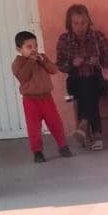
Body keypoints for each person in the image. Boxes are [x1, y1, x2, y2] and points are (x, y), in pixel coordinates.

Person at [55, 4, 108, 151]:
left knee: (89, 86)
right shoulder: (64, 39)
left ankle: (83, 124)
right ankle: (97, 135)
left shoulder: (97, 36)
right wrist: (72, 63)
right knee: (86, 89)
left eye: (83, 23)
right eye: (76, 23)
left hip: (98, 79)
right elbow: (60, 64)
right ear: (70, 23)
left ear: (89, 21)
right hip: (75, 80)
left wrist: (98, 61)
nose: (80, 26)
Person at [12, 31, 72, 163]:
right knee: (34, 127)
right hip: (30, 100)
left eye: (35, 46)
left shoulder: (41, 58)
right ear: (19, 49)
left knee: (55, 122)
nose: (34, 50)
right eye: (29, 47)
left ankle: (63, 146)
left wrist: (43, 61)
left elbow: (53, 69)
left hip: (46, 98)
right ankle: (37, 152)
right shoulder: (18, 63)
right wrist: (31, 62)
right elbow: (23, 76)